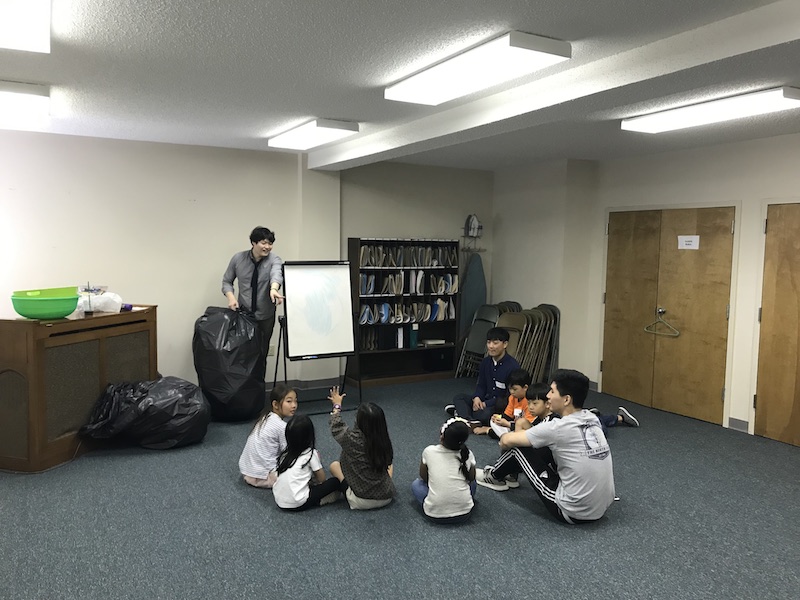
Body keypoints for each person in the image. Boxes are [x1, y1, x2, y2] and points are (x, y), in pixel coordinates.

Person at [481, 369, 616, 524]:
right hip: (601, 507)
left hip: (572, 511)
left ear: (566, 399)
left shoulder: (557, 427)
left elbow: (506, 441)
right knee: (544, 447)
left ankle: (493, 476)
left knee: (517, 448)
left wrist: (508, 437)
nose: (548, 396)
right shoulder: (592, 418)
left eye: (552, 391)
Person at [478, 382, 558, 491]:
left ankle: (495, 475)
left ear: (547, 404)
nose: (530, 407)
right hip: (545, 458)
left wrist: (510, 440)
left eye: (535, 403)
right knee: (521, 423)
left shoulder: (550, 422)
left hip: (554, 475)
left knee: (514, 446)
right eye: (529, 403)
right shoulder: (542, 418)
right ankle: (511, 474)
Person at [221, 226, 284, 363]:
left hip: (265, 316)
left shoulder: (274, 259)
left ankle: (260, 377)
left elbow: (276, 274)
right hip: (244, 315)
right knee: (243, 354)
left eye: (270, 243)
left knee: (262, 354)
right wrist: (231, 298)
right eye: (264, 243)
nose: (267, 247)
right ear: (253, 243)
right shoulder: (238, 259)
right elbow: (227, 281)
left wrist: (274, 289)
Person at [327, 386, 395, 510]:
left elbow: (336, 425)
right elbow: (388, 462)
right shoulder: (383, 439)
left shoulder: (351, 439)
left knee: (334, 466)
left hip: (360, 501)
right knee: (389, 467)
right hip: (387, 496)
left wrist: (337, 405)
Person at [445, 327, 520, 434]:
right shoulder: (485, 362)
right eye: (489, 342)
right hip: (484, 400)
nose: (491, 346)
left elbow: (509, 396)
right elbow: (481, 385)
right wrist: (477, 397)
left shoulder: (512, 366)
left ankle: (462, 413)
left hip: (498, 405)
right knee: (459, 397)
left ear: (505, 344)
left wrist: (485, 404)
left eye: (495, 343)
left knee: (484, 414)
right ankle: (469, 420)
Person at [411, 418, 477, 524]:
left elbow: (423, 476)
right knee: (473, 483)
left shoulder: (429, 451)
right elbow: (471, 478)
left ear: (442, 437)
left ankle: (438, 503)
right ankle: (460, 501)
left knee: (417, 484)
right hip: (464, 514)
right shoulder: (468, 454)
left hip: (434, 515)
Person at [272, 414, 343, 511]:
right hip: (298, 503)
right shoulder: (310, 454)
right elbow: (321, 479)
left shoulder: (284, 454)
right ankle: (319, 501)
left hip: (280, 502)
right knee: (335, 482)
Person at [238, 383, 297, 488]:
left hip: (247, 472)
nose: (294, 405)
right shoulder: (281, 426)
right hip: (263, 476)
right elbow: (288, 452)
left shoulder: (265, 417)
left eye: (295, 401)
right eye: (289, 401)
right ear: (275, 404)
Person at [488, 368, 534, 438]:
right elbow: (508, 415)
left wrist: (508, 424)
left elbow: (528, 426)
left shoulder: (530, 402)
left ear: (525, 387)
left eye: (515, 389)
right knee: (493, 421)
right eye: (510, 389)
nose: (512, 392)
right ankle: (506, 436)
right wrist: (499, 417)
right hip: (513, 425)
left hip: (526, 429)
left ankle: (504, 436)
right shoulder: (512, 398)